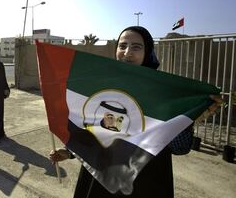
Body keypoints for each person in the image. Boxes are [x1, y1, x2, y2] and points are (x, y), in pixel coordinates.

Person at [49, 26, 221, 198]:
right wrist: (69, 152)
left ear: (148, 52)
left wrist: (188, 121)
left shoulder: (163, 92)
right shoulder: (103, 86)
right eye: (122, 46)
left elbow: (180, 148)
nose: (127, 52)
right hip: (100, 177)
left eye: (136, 47)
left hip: (146, 182)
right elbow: (96, 130)